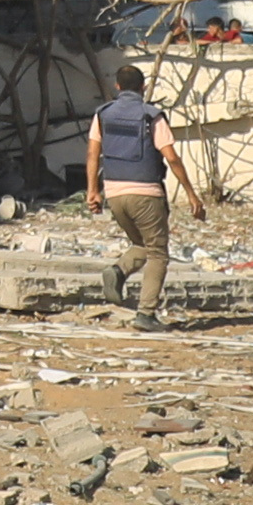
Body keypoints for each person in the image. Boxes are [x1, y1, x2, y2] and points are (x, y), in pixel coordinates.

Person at [83, 66, 193, 326]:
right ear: (143, 87)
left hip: (114, 192)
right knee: (158, 253)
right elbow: (171, 157)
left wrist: (93, 191)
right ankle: (146, 313)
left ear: (117, 87)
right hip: (146, 192)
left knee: (142, 245)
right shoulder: (151, 116)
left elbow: (92, 155)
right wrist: (191, 193)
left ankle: (118, 271)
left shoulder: (103, 114)